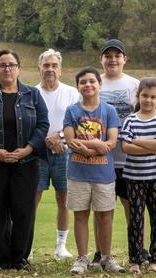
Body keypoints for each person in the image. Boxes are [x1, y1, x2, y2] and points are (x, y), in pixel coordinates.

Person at [0, 49, 49, 270]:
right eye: (2, 65)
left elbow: (43, 125)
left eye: (11, 64)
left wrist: (27, 149)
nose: (7, 69)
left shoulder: (33, 95)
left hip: (26, 161)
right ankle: (0, 259)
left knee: (24, 210)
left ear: (19, 68)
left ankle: (19, 258)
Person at [63, 67, 125, 274]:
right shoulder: (72, 111)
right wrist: (97, 146)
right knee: (81, 216)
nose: (87, 85)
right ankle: (81, 259)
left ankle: (106, 257)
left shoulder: (108, 111)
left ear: (99, 84)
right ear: (78, 86)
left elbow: (112, 142)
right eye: (83, 82)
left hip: (104, 175)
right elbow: (71, 141)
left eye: (92, 81)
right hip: (78, 174)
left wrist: (95, 147)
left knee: (105, 216)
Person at [94, 39, 145, 266]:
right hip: (101, 159)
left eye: (117, 55)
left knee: (133, 207)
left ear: (125, 59)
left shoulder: (136, 85)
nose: (113, 59)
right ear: (101, 59)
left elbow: (147, 116)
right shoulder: (94, 83)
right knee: (102, 208)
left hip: (129, 159)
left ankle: (138, 250)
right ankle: (100, 252)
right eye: (108, 55)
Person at [119, 77, 156, 274]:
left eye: (152, 97)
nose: (148, 100)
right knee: (135, 219)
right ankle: (134, 260)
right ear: (138, 96)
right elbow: (126, 147)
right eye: (144, 96)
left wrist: (138, 141)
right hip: (134, 177)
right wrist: (151, 144)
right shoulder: (130, 120)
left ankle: (155, 260)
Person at [33, 49, 81, 260]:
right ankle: (27, 245)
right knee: (31, 198)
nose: (50, 69)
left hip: (64, 153)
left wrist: (60, 136)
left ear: (60, 70)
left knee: (64, 198)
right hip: (37, 154)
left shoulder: (71, 93)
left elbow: (79, 122)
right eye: (46, 65)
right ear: (39, 68)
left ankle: (61, 246)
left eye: (54, 65)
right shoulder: (31, 92)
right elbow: (27, 124)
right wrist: (45, 139)